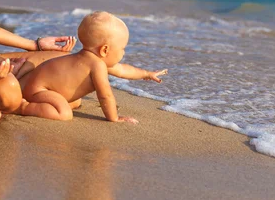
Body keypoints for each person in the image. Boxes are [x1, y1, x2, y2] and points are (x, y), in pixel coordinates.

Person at [15, 11, 168, 123]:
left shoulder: (92, 59)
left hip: (41, 86)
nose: (123, 52)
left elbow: (122, 70)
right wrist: (114, 117)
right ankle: (21, 107)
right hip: (39, 90)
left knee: (75, 102)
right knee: (64, 114)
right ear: (105, 50)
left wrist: (146, 74)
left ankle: (30, 102)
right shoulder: (97, 65)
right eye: (122, 48)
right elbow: (105, 96)